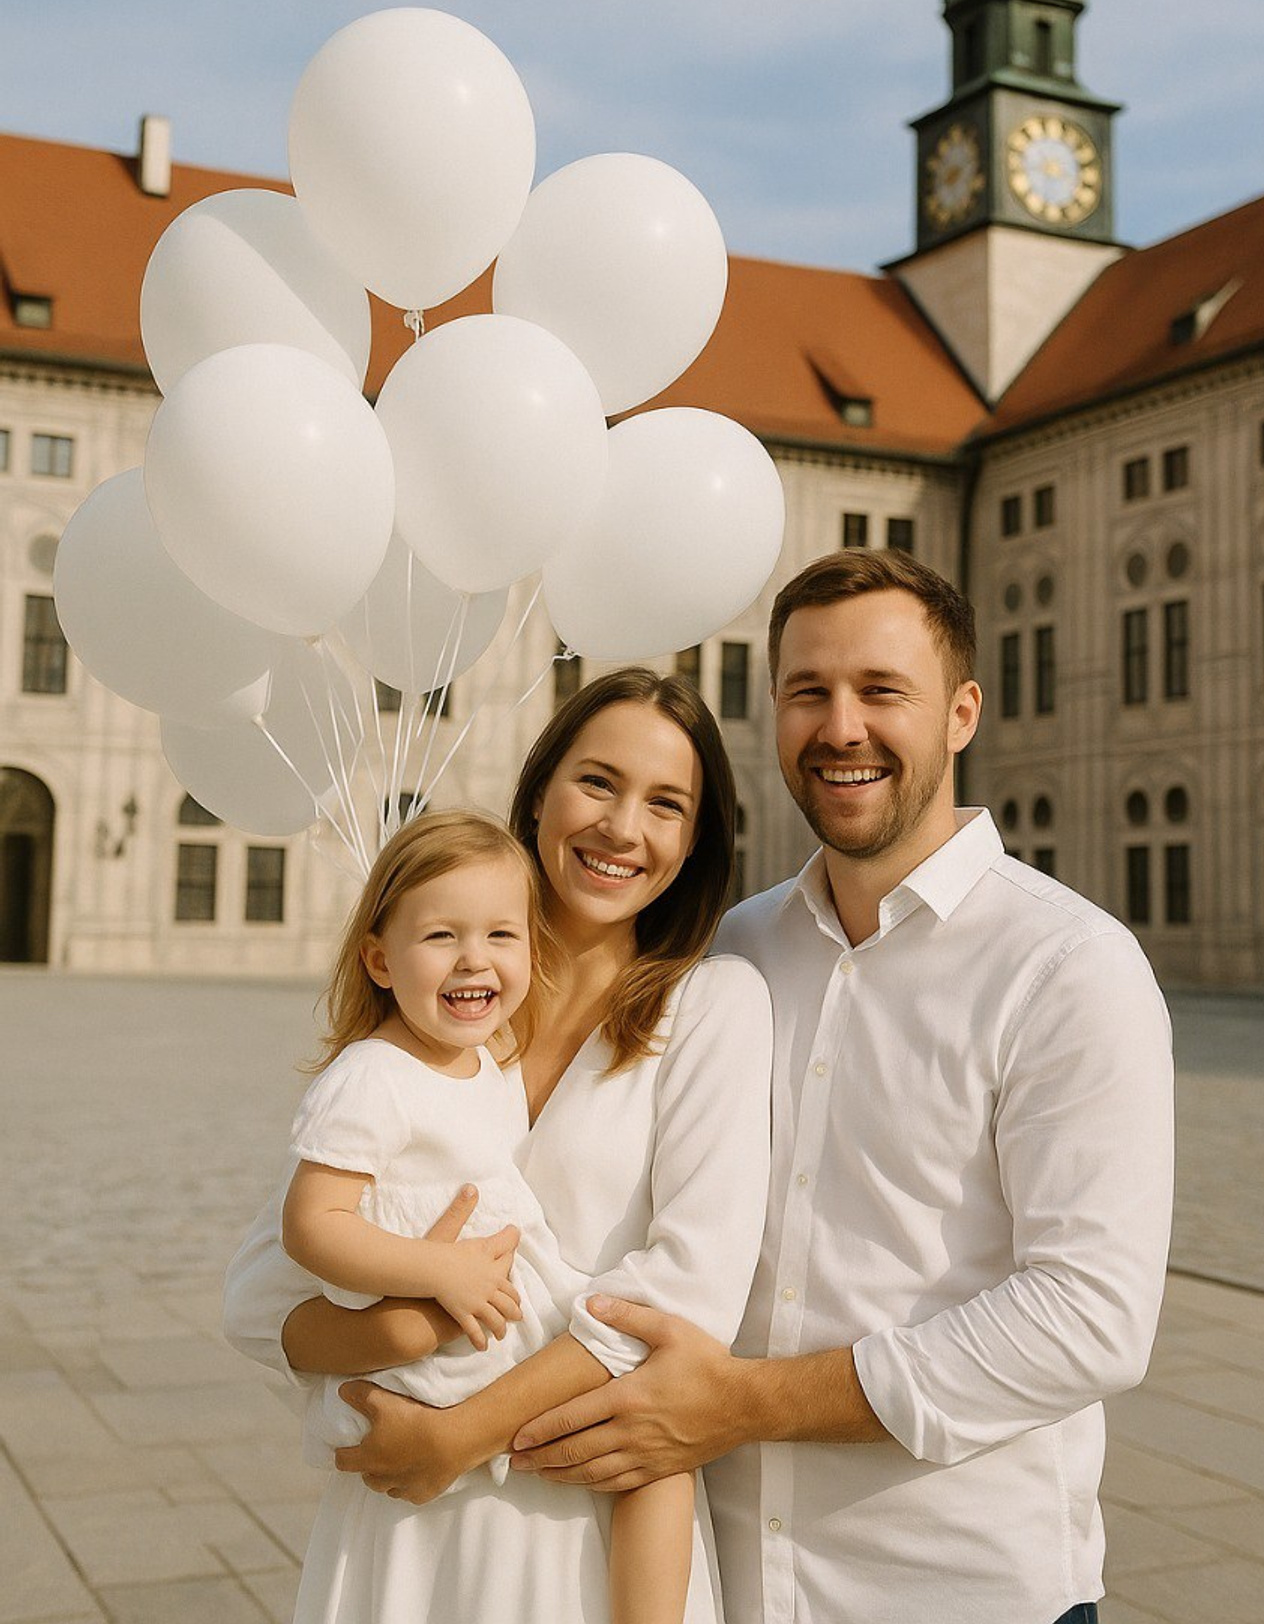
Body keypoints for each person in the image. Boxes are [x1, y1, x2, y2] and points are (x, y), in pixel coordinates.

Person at [494, 551, 1175, 1624]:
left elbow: (1089, 1318)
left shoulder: (1067, 968)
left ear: (961, 714)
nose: (840, 727)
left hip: (953, 1592)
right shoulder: (735, 948)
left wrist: (744, 1405)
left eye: (880, 690)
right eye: (807, 692)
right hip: (731, 1582)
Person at [223, 667, 773, 1624]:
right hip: (404, 1516)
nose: (623, 828)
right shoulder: (442, 1022)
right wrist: (405, 1333)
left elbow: (688, 1296)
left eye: (666, 804)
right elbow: (263, 1296)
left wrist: (464, 1434)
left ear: (695, 842)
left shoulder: (713, 1007)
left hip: (577, 1511)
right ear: (539, 792)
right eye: (597, 782)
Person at [276, 807, 696, 1623]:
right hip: (451, 1345)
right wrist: (436, 1272)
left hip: (491, 1315)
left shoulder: (483, 1061)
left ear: (532, 950)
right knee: (651, 1447)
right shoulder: (372, 1077)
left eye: (501, 935)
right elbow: (311, 1223)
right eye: (442, 937)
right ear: (379, 959)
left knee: (660, 1448)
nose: (475, 958)